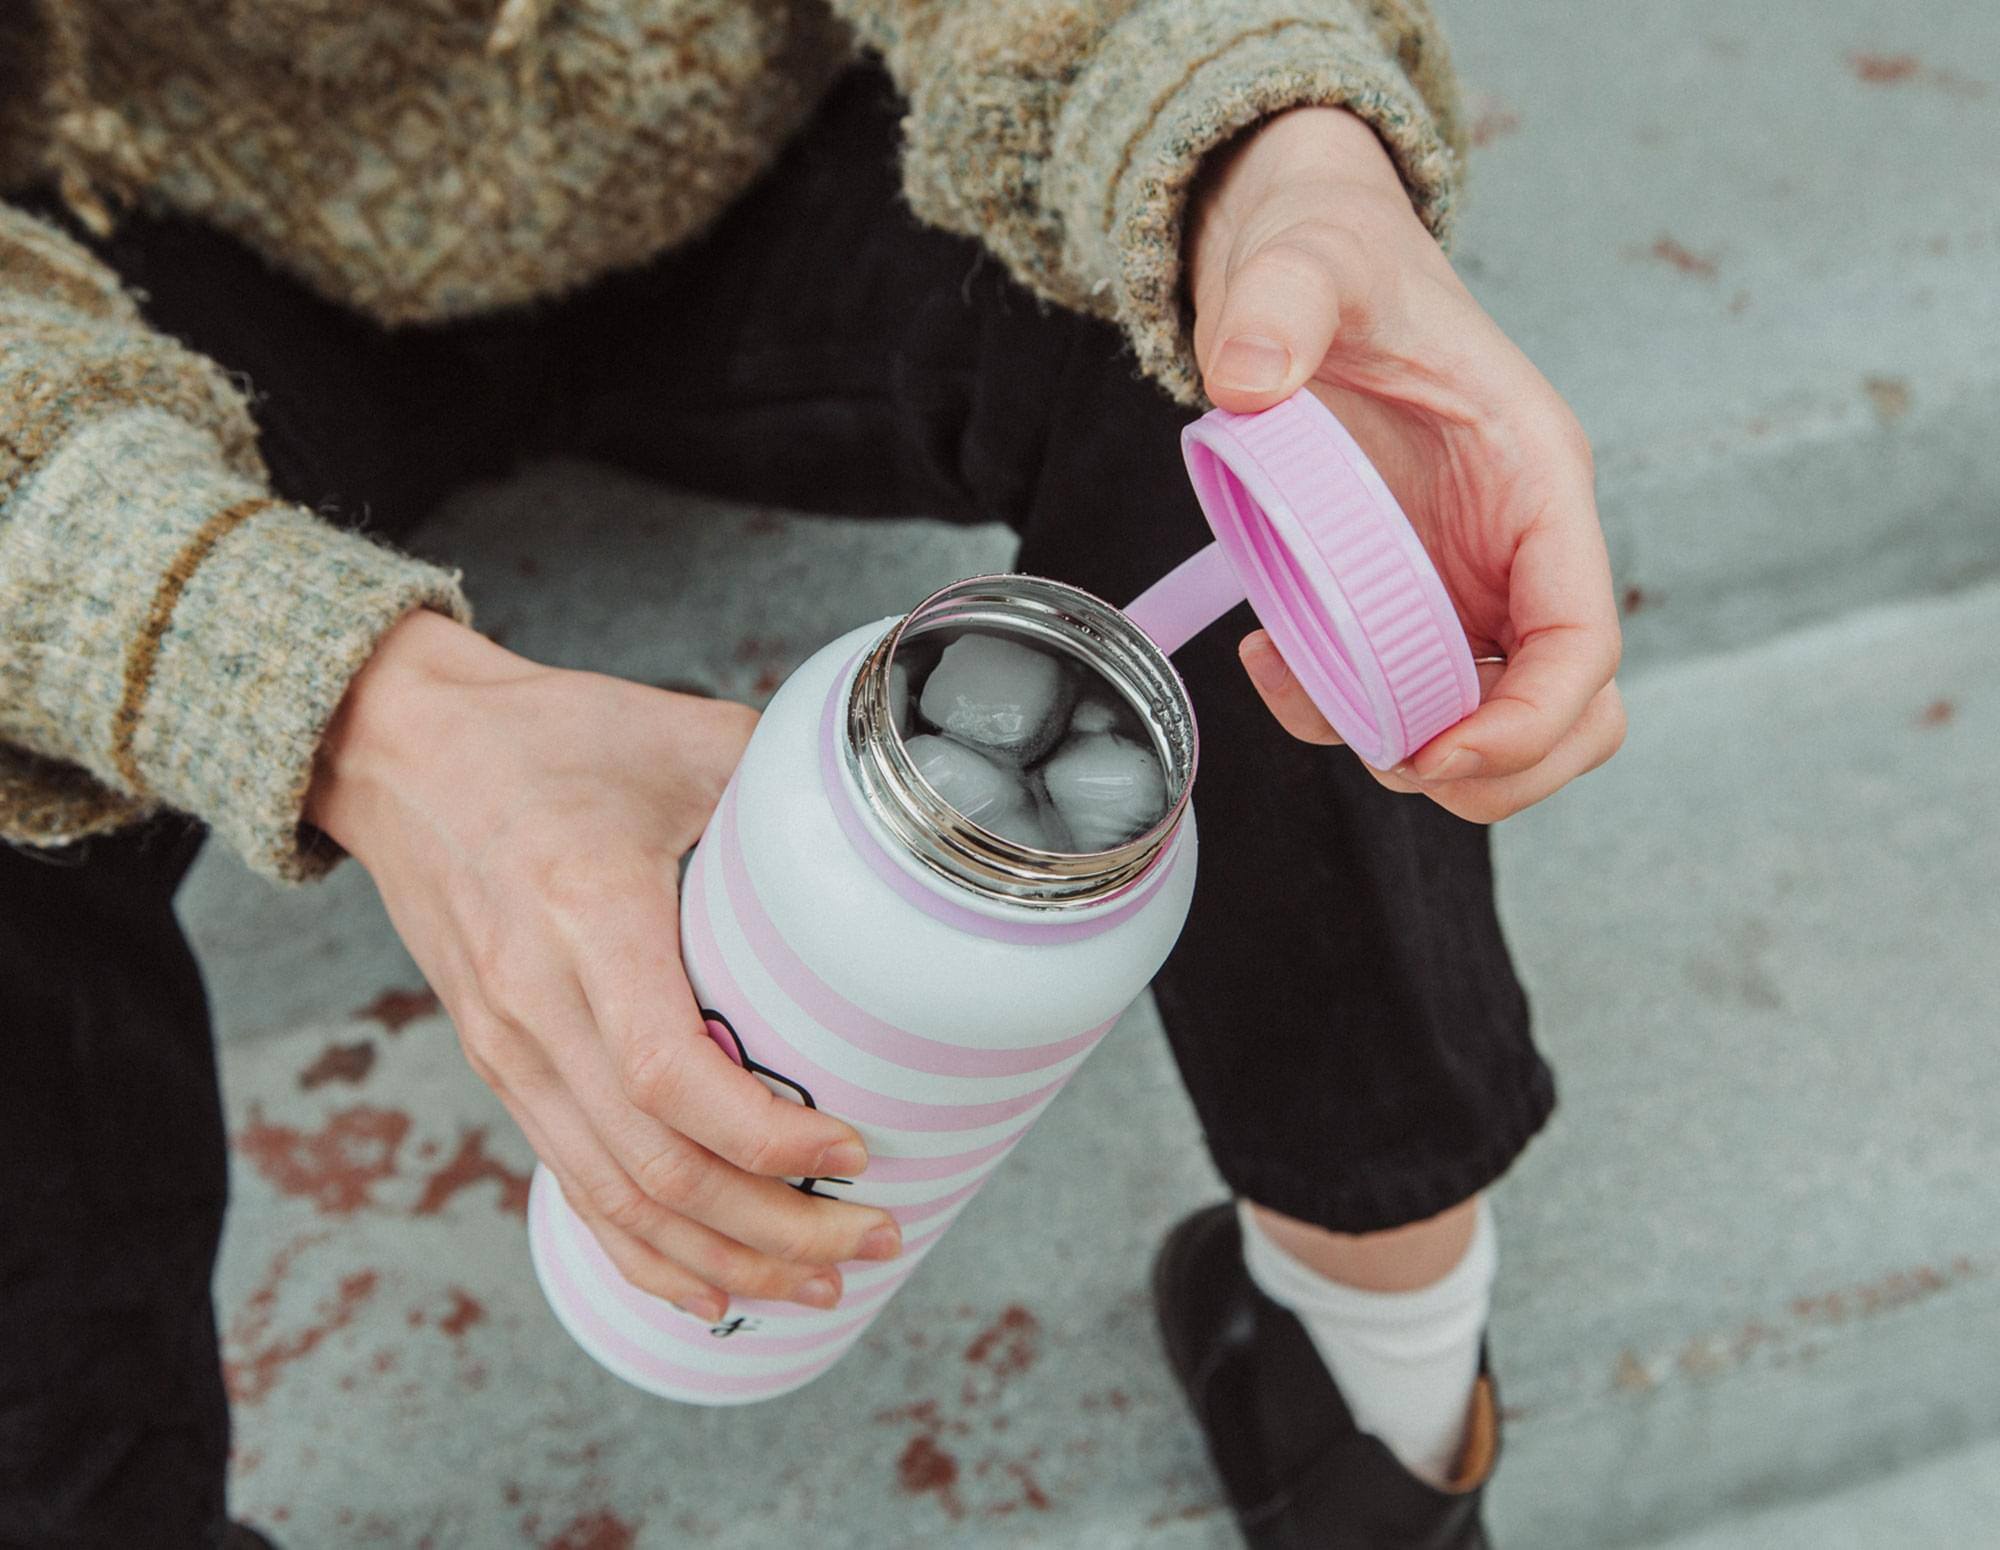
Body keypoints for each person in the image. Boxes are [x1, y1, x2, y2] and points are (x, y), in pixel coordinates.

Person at [0, 1, 1623, 1545]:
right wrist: (351, 707)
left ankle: (1382, 1355)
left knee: (1242, 358)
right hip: (131, 247)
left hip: (762, 142)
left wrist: (1267, 140)